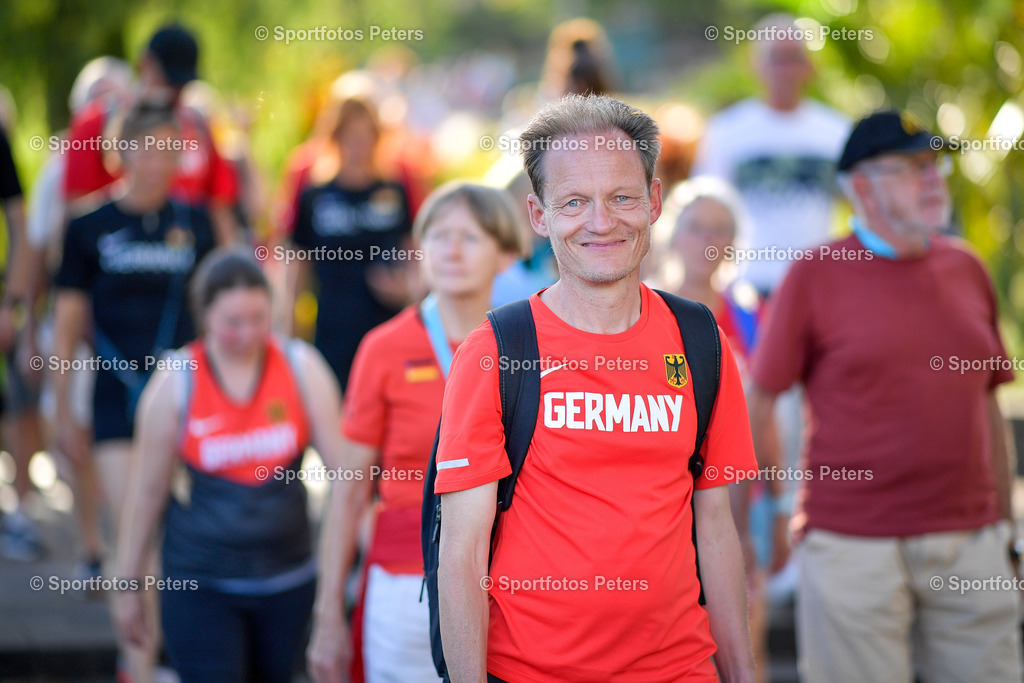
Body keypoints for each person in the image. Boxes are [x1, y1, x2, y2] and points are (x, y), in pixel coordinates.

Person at [435, 94, 758, 682]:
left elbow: (716, 527)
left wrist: (741, 675)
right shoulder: (496, 351)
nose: (602, 222)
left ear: (654, 201)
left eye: (622, 197)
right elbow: (461, 554)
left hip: (681, 669)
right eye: (574, 202)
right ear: (538, 215)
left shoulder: (701, 342)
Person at [747, 109, 1023, 682]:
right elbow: (760, 399)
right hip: (851, 545)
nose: (933, 179)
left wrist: (1005, 529)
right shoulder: (815, 274)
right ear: (863, 188)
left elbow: (988, 405)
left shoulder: (966, 268)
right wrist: (769, 508)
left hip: (969, 541)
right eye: (912, 167)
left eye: (934, 164)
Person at [306, 182, 527, 683]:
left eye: (470, 237)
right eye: (438, 235)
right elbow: (348, 490)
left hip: (508, 584)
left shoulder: (525, 347)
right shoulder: (383, 348)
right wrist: (328, 615)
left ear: (507, 254)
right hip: (405, 582)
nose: (451, 250)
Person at [112, 247, 344, 682]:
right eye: (232, 322)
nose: (247, 332)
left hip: (287, 580)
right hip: (201, 585)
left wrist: (352, 567)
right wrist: (128, 586)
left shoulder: (302, 367)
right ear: (204, 316)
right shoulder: (176, 380)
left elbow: (346, 476)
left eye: (258, 318)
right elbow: (146, 494)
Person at [53, 101, 216, 681]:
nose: (160, 161)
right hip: (115, 400)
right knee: (135, 532)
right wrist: (62, 411)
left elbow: (219, 310)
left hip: (187, 401)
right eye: (149, 148)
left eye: (172, 149)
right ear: (121, 152)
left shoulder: (197, 222)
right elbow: (66, 326)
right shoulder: (87, 226)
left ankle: (169, 656)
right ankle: (139, 666)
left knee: (178, 537)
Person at [654, 177, 776, 683]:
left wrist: (780, 504)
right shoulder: (649, 310)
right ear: (673, 233)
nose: (708, 240)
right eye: (697, 227)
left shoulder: (749, 316)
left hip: (747, 496)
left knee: (749, 628)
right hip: (674, 501)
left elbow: (767, 414)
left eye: (720, 229)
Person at [692, 13, 850, 297]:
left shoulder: (837, 131)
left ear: (810, 65)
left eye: (793, 58)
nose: (785, 69)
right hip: (746, 287)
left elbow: (862, 204)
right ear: (755, 64)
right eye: (776, 58)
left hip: (819, 285)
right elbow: (704, 208)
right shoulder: (726, 130)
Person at [62, 24, 241, 244]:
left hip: (183, 252)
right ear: (145, 64)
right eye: (168, 79)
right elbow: (76, 212)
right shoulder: (97, 123)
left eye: (182, 83)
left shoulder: (199, 126)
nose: (174, 91)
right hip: (115, 253)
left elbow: (220, 209)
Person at [286, 91, 415, 391]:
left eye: (365, 135)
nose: (358, 145)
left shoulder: (394, 191)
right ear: (334, 138)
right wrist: (291, 331)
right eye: (349, 136)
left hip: (387, 326)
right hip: (333, 330)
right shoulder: (315, 196)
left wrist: (407, 291)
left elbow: (415, 255)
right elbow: (296, 268)